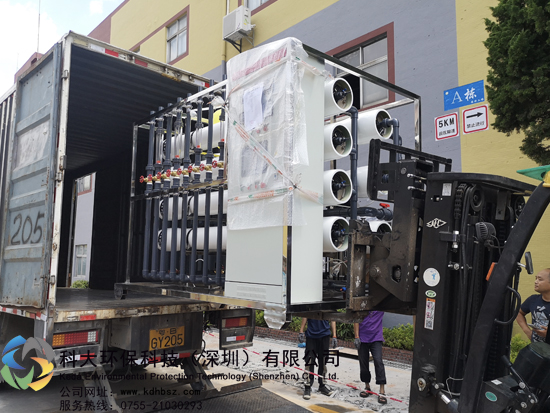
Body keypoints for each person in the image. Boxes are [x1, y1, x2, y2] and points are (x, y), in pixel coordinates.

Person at [298, 318, 337, 400]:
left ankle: (322, 385)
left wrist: (334, 335)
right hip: (311, 335)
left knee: (323, 361)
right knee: (309, 361)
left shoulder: (328, 308)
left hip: (324, 335)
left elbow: (332, 318)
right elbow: (305, 316)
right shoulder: (310, 308)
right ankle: (307, 386)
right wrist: (301, 331)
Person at [354, 311, 387, 404]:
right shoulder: (362, 306)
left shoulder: (380, 307)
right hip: (362, 337)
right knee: (363, 362)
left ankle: (382, 391)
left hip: (376, 337)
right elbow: (356, 319)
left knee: (378, 361)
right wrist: (356, 336)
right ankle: (367, 386)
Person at [516, 268, 550, 343]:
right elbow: (519, 313)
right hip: (536, 347)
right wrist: (527, 331)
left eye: (540, 279)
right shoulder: (533, 299)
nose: (536, 282)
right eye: (536, 278)